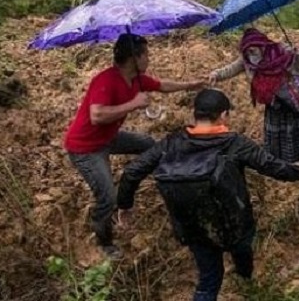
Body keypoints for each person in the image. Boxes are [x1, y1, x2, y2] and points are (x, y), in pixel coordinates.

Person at [116, 88, 299, 301]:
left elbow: (132, 171)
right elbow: (270, 166)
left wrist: (125, 205)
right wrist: (298, 172)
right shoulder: (234, 143)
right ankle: (245, 278)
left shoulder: (172, 142)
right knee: (242, 251)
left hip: (192, 227)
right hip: (234, 224)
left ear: (195, 114)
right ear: (223, 115)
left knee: (209, 277)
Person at [64, 33, 203, 259]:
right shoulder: (106, 80)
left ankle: (153, 186)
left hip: (107, 138)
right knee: (108, 196)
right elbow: (97, 115)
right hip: (85, 148)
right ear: (134, 58)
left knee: (149, 145)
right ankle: (104, 240)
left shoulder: (137, 78)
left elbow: (162, 85)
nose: (149, 59)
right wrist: (133, 103)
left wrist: (191, 84)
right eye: (146, 55)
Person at [207, 28, 299, 163]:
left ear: (263, 44)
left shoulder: (281, 50)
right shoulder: (246, 60)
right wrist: (216, 74)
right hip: (276, 104)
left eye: (255, 48)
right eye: (248, 50)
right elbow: (230, 69)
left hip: (295, 99)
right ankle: (284, 163)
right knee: (282, 137)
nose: (252, 52)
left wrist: (298, 52)